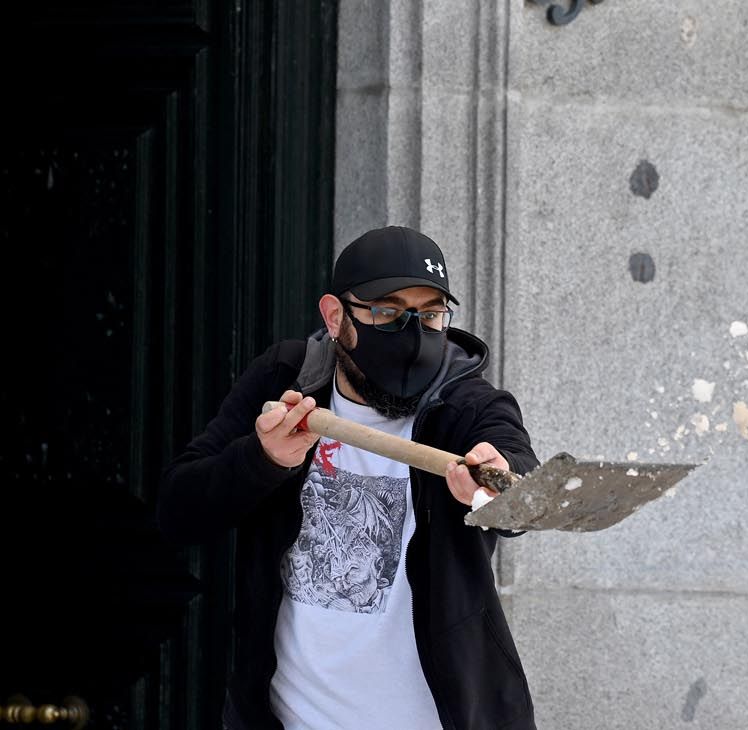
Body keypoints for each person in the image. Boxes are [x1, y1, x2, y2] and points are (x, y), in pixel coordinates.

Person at [158, 226, 539, 730]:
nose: (411, 332)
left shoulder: (467, 408)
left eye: (429, 315)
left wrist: (498, 487)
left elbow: (522, 482)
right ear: (336, 316)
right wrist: (263, 459)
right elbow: (178, 511)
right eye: (387, 311)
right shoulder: (285, 380)